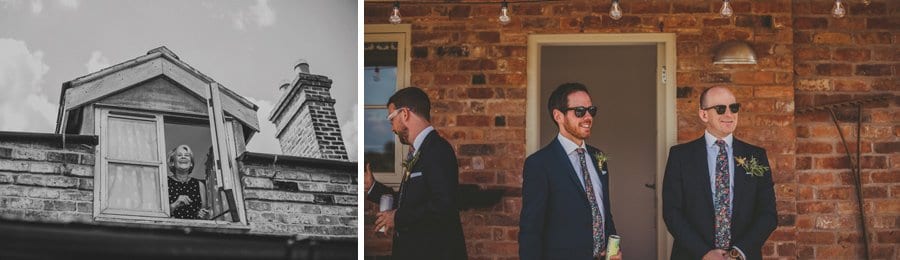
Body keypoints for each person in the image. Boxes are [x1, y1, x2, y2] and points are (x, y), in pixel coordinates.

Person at [662, 86, 777, 260]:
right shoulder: (680, 156)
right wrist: (704, 253)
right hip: (693, 255)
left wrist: (738, 252)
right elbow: (672, 212)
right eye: (720, 109)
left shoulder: (756, 156)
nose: (729, 114)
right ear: (704, 114)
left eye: (734, 107)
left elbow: (767, 214)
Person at [364, 87, 467, 259]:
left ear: (404, 114)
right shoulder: (419, 151)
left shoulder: (437, 149)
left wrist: (397, 217)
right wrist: (373, 187)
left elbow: (443, 206)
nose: (392, 129)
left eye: (391, 119)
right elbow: (411, 201)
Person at [519, 83, 620, 260]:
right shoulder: (540, 164)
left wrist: (613, 249)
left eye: (591, 110)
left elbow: (603, 211)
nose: (588, 117)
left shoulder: (599, 157)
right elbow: (531, 230)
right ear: (558, 115)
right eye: (580, 111)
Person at [168, 144, 211, 220]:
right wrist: (175, 204)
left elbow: (203, 212)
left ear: (191, 163)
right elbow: (159, 213)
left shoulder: (199, 185)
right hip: (171, 229)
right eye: (179, 155)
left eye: (187, 155)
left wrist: (203, 214)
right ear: (172, 163)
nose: (183, 157)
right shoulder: (165, 183)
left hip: (194, 229)